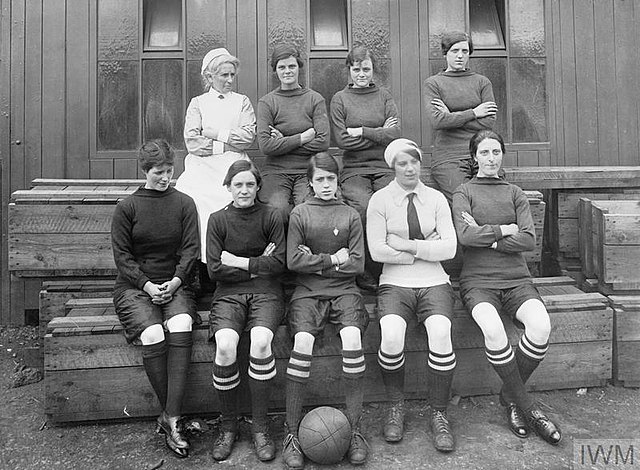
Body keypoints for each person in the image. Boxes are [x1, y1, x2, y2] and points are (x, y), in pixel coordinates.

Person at [452, 130, 562, 445]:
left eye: (496, 152)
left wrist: (489, 237)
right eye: (484, 153)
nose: (490, 159)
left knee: (540, 327)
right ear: (474, 157)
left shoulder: (514, 192)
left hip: (516, 278)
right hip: (478, 282)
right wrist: (503, 230)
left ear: (502, 155)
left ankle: (510, 396)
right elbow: (465, 237)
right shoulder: (463, 191)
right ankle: (527, 406)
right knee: (494, 331)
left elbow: (528, 240)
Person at [366, 138, 458, 453]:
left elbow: (450, 248)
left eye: (414, 162)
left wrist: (405, 245)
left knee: (441, 331)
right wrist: (425, 249)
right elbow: (377, 251)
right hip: (394, 282)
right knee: (391, 335)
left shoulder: (436, 199)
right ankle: (395, 406)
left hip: (435, 279)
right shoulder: (379, 200)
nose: (409, 168)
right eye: (402, 163)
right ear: (393, 167)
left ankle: (439, 412)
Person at [110, 139, 200, 458]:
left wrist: (175, 281)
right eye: (159, 172)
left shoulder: (185, 203)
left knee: (181, 323)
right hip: (136, 286)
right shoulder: (128, 207)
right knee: (152, 332)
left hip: (176, 282)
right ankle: (173, 416)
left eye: (169, 170)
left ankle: (170, 417)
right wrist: (148, 285)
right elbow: (122, 257)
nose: (165, 177)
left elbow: (191, 250)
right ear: (145, 170)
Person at [281, 153, 369, 469]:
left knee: (352, 340)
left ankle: (355, 428)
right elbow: (293, 262)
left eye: (331, 178)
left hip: (345, 292)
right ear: (310, 182)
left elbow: (357, 264)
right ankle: (291, 433)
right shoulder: (300, 214)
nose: (326, 184)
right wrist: (333, 259)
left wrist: (315, 261)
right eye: (320, 179)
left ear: (338, 180)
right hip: (306, 293)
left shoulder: (350, 215)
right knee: (302, 343)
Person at [205, 160, 287, 463]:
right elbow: (215, 269)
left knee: (262, 341)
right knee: (226, 346)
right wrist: (255, 267)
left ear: (257, 187)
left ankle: (261, 426)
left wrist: (237, 262)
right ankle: (228, 425)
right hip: (228, 295)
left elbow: (278, 264)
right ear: (228, 187)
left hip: (267, 292)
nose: (244, 190)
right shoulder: (217, 220)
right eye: (238, 184)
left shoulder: (271, 216)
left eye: (249, 184)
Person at [330, 45, 401, 291]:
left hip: (383, 166)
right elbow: (341, 140)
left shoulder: (384, 96)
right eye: (357, 69)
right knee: (362, 208)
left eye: (366, 69)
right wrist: (380, 132)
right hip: (353, 169)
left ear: (373, 70)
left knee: (391, 205)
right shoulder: (340, 99)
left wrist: (361, 131)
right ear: (349, 70)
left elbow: (395, 134)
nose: (362, 74)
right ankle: (365, 268)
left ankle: (390, 266)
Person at [176, 47, 256, 261]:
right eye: (224, 75)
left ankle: (233, 260)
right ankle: (201, 263)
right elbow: (193, 142)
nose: (230, 80)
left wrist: (214, 133)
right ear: (209, 77)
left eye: (232, 75)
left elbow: (247, 138)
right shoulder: (198, 103)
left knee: (232, 196)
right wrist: (228, 142)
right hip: (202, 165)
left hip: (234, 165)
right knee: (193, 197)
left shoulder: (242, 101)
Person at [257, 44, 330, 222]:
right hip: (276, 171)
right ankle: (279, 250)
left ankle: (304, 250)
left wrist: (283, 142)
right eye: (282, 67)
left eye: (292, 66)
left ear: (299, 67)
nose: (287, 71)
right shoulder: (267, 102)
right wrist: (302, 138)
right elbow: (265, 146)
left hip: (307, 169)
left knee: (306, 208)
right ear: (275, 70)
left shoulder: (314, 99)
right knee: (277, 209)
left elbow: (323, 142)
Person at [423, 31, 497, 203]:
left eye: (464, 51)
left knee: (493, 199)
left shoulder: (482, 82)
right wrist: (474, 113)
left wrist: (451, 116)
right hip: (449, 158)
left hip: (482, 153)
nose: (460, 56)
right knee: (463, 200)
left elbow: (489, 122)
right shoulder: (433, 83)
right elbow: (437, 121)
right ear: (445, 53)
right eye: (454, 51)